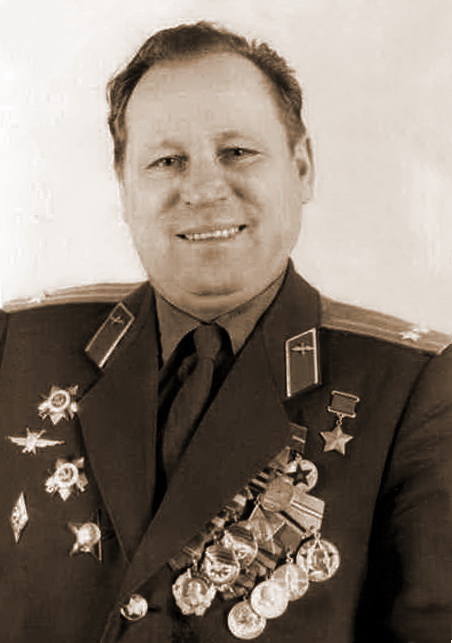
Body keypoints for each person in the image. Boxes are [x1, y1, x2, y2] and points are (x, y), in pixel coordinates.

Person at [0, 21, 451, 643]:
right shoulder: (17, 348)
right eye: (167, 160)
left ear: (302, 168)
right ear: (124, 187)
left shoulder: (414, 389)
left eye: (237, 152)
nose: (205, 188)